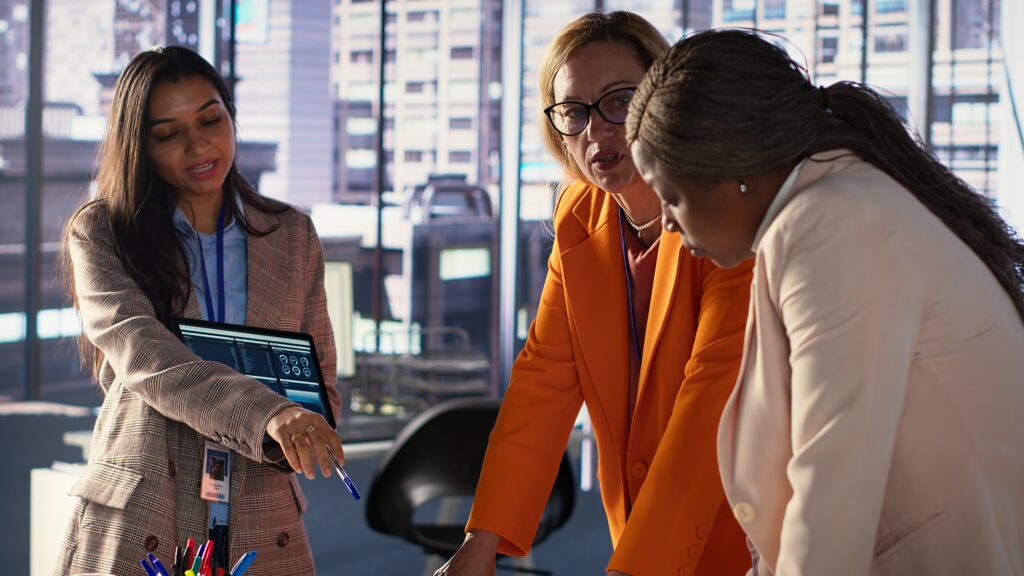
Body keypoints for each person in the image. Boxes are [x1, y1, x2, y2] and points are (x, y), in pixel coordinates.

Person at [627, 29, 1024, 575]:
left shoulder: (830, 227)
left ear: (734, 171)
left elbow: (831, 489)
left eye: (671, 196)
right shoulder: (828, 206)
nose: (668, 223)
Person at [437, 12, 752, 576]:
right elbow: (544, 381)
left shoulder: (725, 218)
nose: (596, 130)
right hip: (637, 532)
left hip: (748, 531)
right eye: (573, 111)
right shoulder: (582, 213)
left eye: (619, 100)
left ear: (665, 96)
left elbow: (709, 410)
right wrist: (479, 544)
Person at [54, 46, 345, 576]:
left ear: (231, 115)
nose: (199, 145)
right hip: (145, 505)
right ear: (140, 146)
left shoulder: (292, 235)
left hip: (261, 508)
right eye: (169, 134)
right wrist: (272, 414)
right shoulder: (102, 232)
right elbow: (148, 358)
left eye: (210, 119)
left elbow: (319, 376)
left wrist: (308, 425)